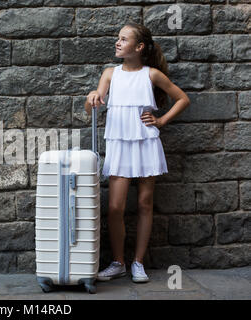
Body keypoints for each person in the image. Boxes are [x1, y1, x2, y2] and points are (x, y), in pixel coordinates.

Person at [84, 22, 190, 283]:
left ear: (139, 47)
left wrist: (161, 121)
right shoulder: (110, 74)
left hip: (145, 141)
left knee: (144, 203)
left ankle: (138, 263)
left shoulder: (152, 74)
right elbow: (93, 109)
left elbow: (183, 99)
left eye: (123, 39)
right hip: (119, 143)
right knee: (115, 207)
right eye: (117, 38)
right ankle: (118, 262)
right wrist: (91, 99)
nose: (117, 42)